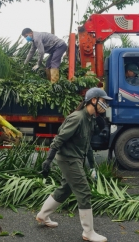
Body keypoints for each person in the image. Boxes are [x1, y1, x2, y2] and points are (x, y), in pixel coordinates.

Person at [36, 87, 112, 242]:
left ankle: (42, 215)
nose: (105, 105)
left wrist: (91, 167)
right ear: (93, 100)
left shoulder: (89, 119)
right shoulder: (77, 118)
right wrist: (48, 160)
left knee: (66, 188)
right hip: (68, 159)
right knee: (84, 192)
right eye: (103, 101)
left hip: (76, 159)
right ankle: (88, 232)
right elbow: (59, 139)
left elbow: (88, 146)